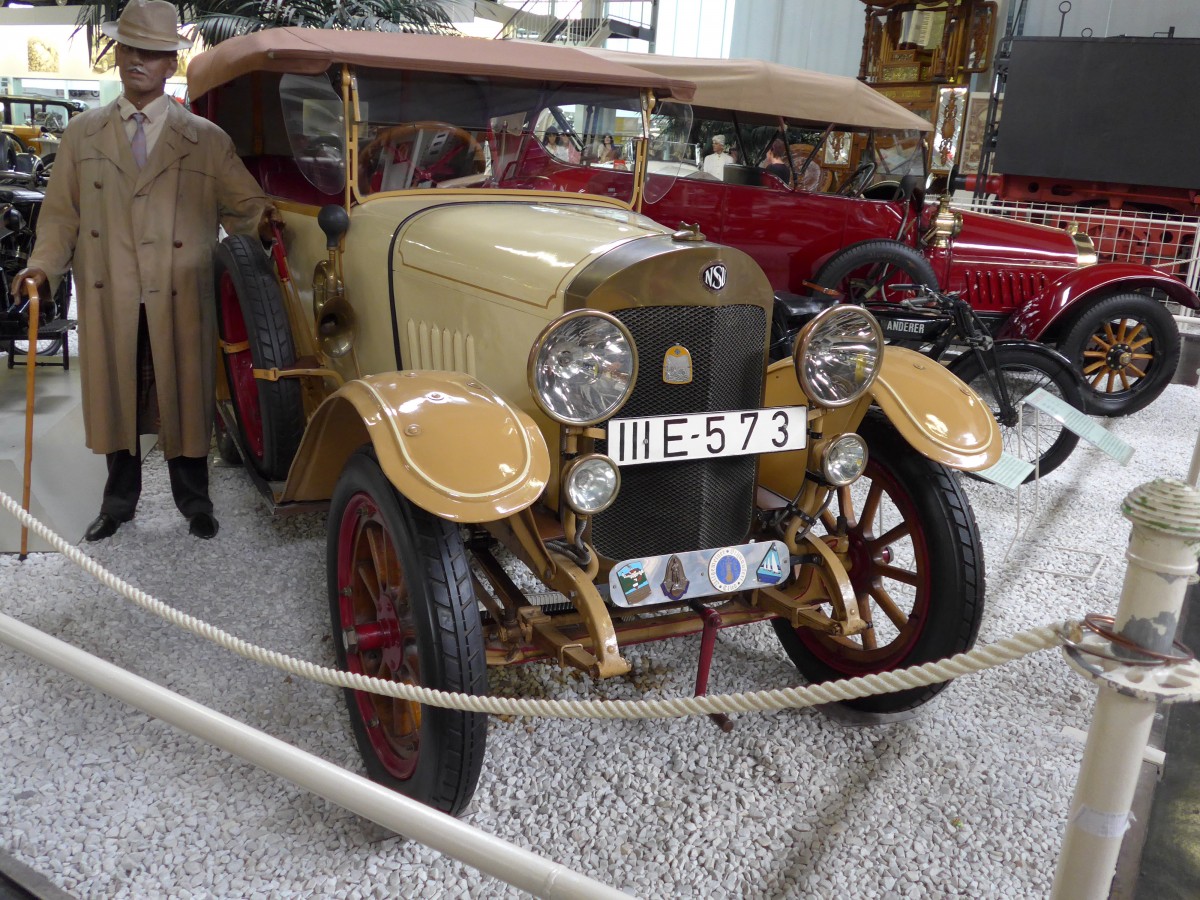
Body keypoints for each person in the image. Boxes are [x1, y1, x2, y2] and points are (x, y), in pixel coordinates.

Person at [10, 0, 277, 542]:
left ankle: (194, 501)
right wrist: (41, 269)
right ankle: (117, 502)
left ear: (170, 63)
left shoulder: (204, 138)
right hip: (111, 290)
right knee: (117, 395)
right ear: (116, 54)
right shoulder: (82, 136)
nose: (138, 61)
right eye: (130, 48)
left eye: (153, 52)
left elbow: (245, 207)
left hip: (180, 292)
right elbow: (60, 219)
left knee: (184, 391)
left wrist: (274, 226)